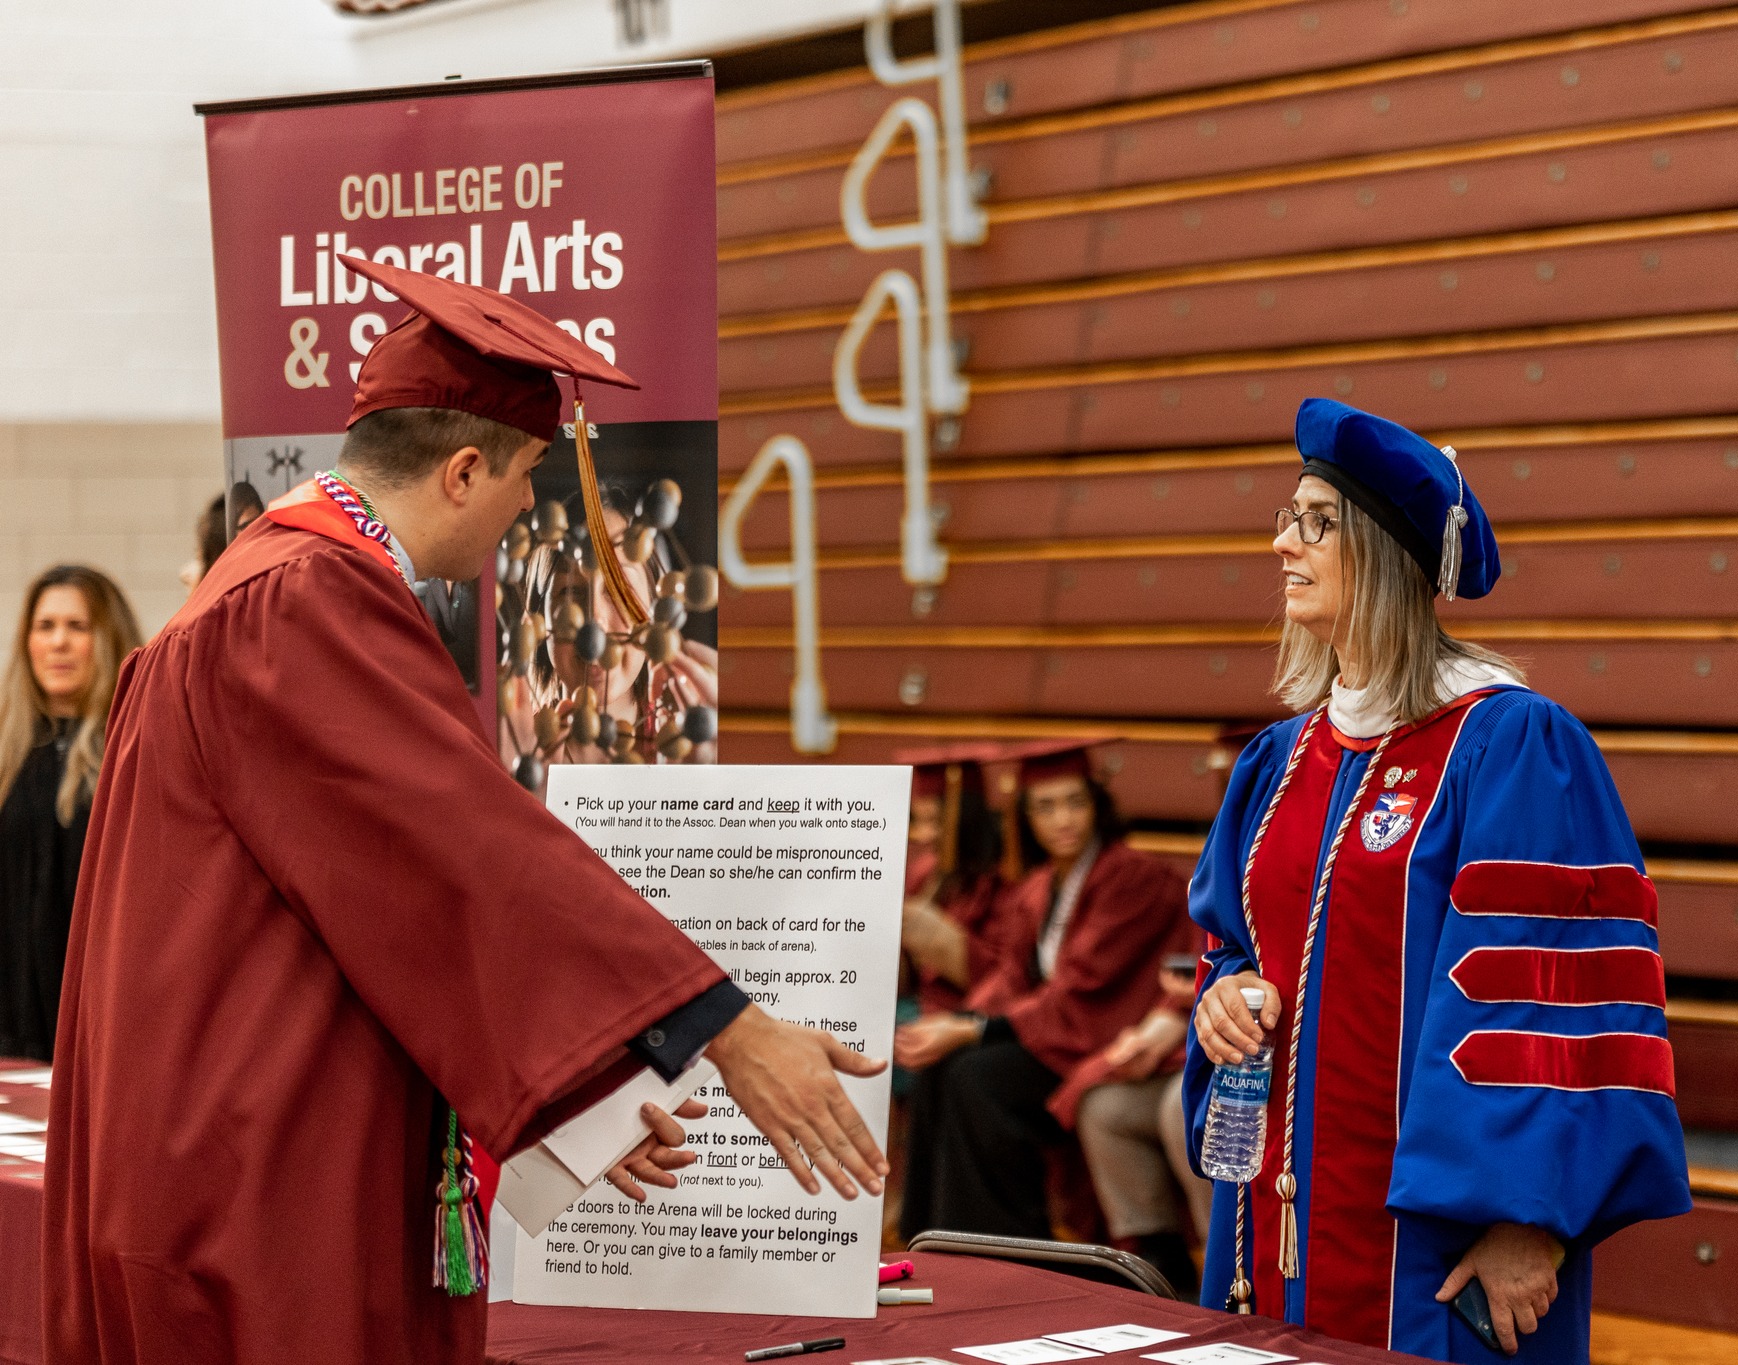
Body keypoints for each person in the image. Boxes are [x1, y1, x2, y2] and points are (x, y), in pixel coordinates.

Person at [44, 258, 886, 1365]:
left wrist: (580, 1094)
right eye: (528, 474)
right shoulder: (299, 603)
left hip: (224, 1135)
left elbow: (384, 902)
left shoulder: (261, 584)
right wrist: (727, 1029)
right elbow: (471, 853)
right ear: (461, 470)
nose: (528, 505)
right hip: (255, 1180)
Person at [1184, 399, 1690, 1362]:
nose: (1282, 541)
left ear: (1378, 550)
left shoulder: (1508, 745)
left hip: (1441, 1253)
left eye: (1314, 521)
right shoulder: (1279, 760)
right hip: (1267, 1217)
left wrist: (1530, 1219)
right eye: (1287, 516)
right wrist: (1221, 996)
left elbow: (1556, 999)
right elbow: (1231, 939)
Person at [895, 745, 1188, 1241]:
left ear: (1097, 805)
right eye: (1045, 807)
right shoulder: (1041, 887)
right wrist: (958, 1022)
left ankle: (1007, 1247)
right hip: (1057, 1032)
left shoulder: (1132, 878)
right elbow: (1012, 977)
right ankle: (933, 1239)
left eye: (1074, 802)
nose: (1063, 820)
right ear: (1025, 817)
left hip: (1103, 1033)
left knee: (978, 1077)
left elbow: (1083, 987)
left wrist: (973, 1030)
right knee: (938, 1069)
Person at [0, 567, 141, 1061]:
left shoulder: (136, 750)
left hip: (102, 1031)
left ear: (107, 639)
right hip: (10, 1030)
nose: (58, 643)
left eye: (77, 627)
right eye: (46, 626)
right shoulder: (6, 753)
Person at [1065, 954, 1211, 1293]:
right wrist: (1152, 1037)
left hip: (1245, 1061)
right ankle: (1159, 1255)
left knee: (1183, 1105)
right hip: (1191, 1041)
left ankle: (1219, 1256)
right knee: (1107, 1108)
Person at [897, 746, 1008, 1014]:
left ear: (965, 816)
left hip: (969, 1015)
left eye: (935, 821)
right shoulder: (924, 872)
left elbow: (1009, 980)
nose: (924, 835)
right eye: (918, 821)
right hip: (915, 1006)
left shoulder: (1002, 878)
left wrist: (939, 937)